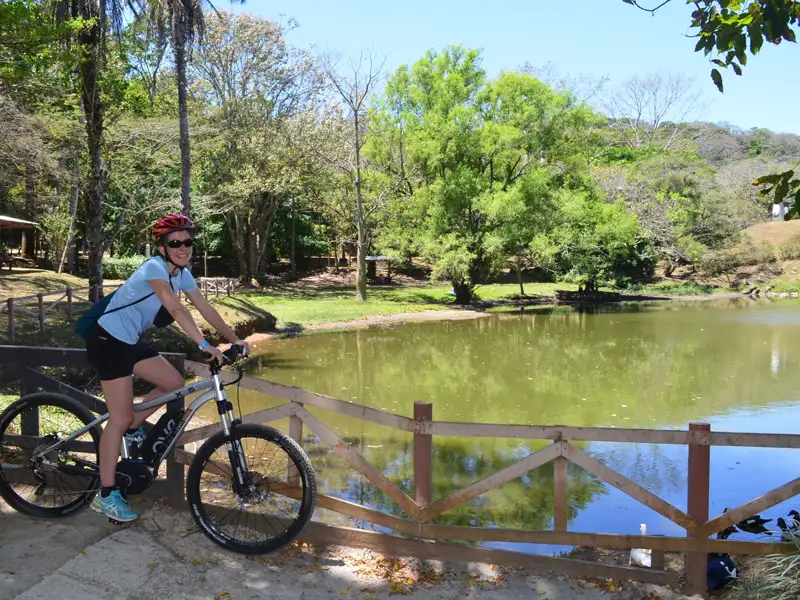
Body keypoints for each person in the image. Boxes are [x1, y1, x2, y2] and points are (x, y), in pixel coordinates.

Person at [85, 213, 250, 522]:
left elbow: (205, 307)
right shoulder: (153, 268)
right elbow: (175, 307)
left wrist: (234, 339)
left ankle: (131, 429)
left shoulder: (181, 274)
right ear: (161, 247)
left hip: (129, 340)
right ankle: (106, 494)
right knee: (119, 418)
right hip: (107, 341)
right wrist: (204, 344)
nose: (183, 247)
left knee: (173, 382)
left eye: (187, 242)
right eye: (175, 243)